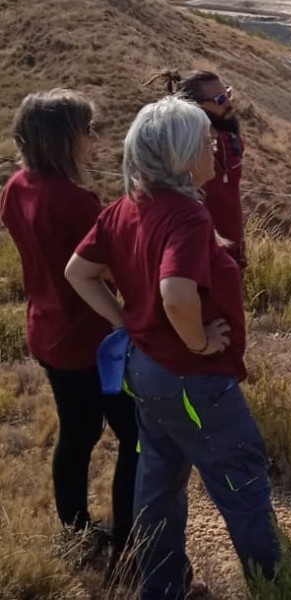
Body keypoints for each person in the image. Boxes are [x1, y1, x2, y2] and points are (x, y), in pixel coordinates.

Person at [65, 96, 280, 599]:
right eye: (206, 142)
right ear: (183, 154)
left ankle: (161, 590)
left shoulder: (125, 207)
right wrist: (199, 341)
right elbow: (176, 293)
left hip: (147, 370)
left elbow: (79, 272)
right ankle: (276, 588)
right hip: (192, 376)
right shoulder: (185, 215)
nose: (214, 151)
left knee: (158, 485)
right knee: (242, 483)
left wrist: (129, 323)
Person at [0, 90, 138, 571]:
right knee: (135, 436)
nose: (94, 140)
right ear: (64, 140)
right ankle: (130, 545)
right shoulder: (77, 200)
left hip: (46, 330)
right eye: (87, 130)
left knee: (77, 435)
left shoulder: (17, 187)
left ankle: (76, 531)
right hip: (91, 340)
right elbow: (104, 267)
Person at [176, 70, 246, 269]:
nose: (229, 104)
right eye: (220, 99)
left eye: (228, 94)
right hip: (198, 260)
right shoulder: (183, 151)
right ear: (198, 106)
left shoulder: (232, 141)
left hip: (233, 257)